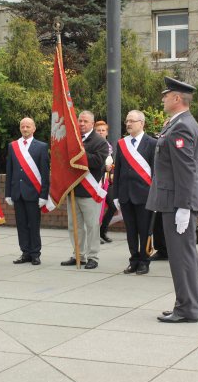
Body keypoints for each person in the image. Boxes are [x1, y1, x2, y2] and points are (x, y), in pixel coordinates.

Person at [146, 77, 198, 323]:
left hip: (177, 202)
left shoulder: (182, 127)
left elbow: (186, 170)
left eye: (166, 95)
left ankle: (187, 309)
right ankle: (184, 304)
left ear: (177, 98)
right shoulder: (179, 123)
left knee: (182, 257)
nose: (163, 99)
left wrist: (183, 206)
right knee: (181, 256)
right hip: (174, 200)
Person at [61, 110, 109, 270]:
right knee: (74, 225)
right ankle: (78, 255)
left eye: (85, 121)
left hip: (89, 191)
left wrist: (79, 154)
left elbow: (98, 161)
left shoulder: (99, 141)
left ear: (92, 124)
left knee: (92, 225)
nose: (81, 124)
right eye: (80, 121)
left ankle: (92, 256)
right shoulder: (72, 139)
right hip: (73, 189)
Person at [113, 110, 157, 274]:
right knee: (131, 231)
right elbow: (118, 170)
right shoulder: (121, 143)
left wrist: (155, 194)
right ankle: (134, 259)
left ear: (142, 123)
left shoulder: (152, 143)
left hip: (144, 195)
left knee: (145, 230)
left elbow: (155, 172)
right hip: (125, 194)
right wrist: (116, 194)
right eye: (127, 121)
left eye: (132, 121)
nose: (128, 124)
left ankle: (144, 261)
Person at [5, 117, 50, 266]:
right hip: (17, 192)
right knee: (21, 224)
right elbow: (10, 171)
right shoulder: (13, 146)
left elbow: (45, 172)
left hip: (34, 193)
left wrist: (44, 195)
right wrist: (8, 193)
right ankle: (25, 252)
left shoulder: (42, 147)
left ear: (34, 128)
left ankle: (35, 254)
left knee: (33, 224)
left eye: (28, 126)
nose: (25, 129)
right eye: (23, 126)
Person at [94, 120, 115, 244]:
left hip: (107, 181)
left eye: (103, 130)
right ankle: (95, 235)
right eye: (99, 130)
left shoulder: (109, 146)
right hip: (97, 181)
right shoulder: (94, 145)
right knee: (98, 208)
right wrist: (104, 167)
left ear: (107, 132)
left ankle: (103, 231)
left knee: (112, 206)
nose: (101, 132)